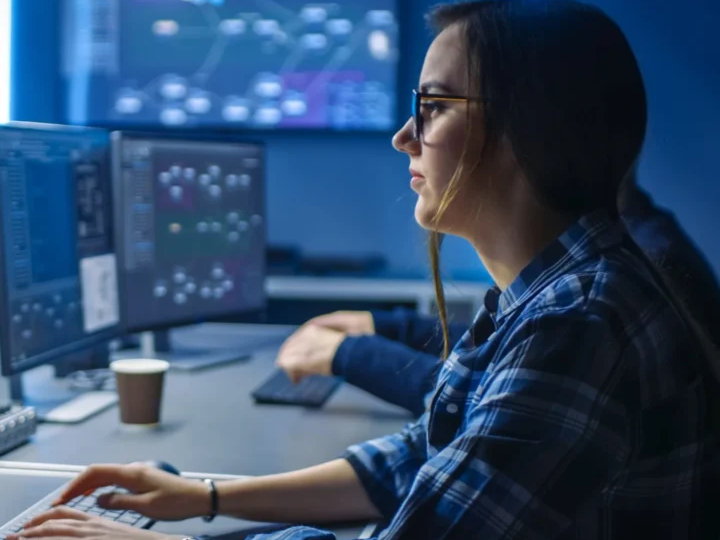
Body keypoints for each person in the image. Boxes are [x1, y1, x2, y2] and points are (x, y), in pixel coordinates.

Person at [5, 0, 720, 540]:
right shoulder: (544, 292)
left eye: (434, 107)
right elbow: (418, 458)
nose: (404, 137)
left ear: (524, 133)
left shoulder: (581, 324)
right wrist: (205, 494)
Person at [275, 173, 720, 417]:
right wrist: (387, 327)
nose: (406, 138)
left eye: (436, 108)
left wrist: (351, 355)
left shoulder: (596, 298)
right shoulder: (621, 241)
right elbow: (506, 349)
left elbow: (491, 398)